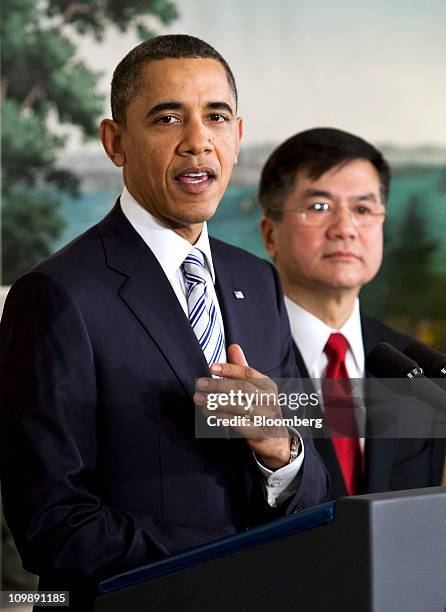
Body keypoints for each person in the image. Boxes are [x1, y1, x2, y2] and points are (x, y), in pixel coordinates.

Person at [0, 36, 328, 610]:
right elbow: (51, 523)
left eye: (216, 117)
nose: (197, 141)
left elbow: (315, 471)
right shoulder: (56, 295)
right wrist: (231, 562)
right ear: (115, 142)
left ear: (238, 136)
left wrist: (282, 449)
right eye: (168, 117)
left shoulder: (259, 281)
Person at [259, 127, 444, 499]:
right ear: (270, 235)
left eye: (362, 209)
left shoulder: (417, 372)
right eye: (319, 207)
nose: (345, 229)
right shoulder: (239, 359)